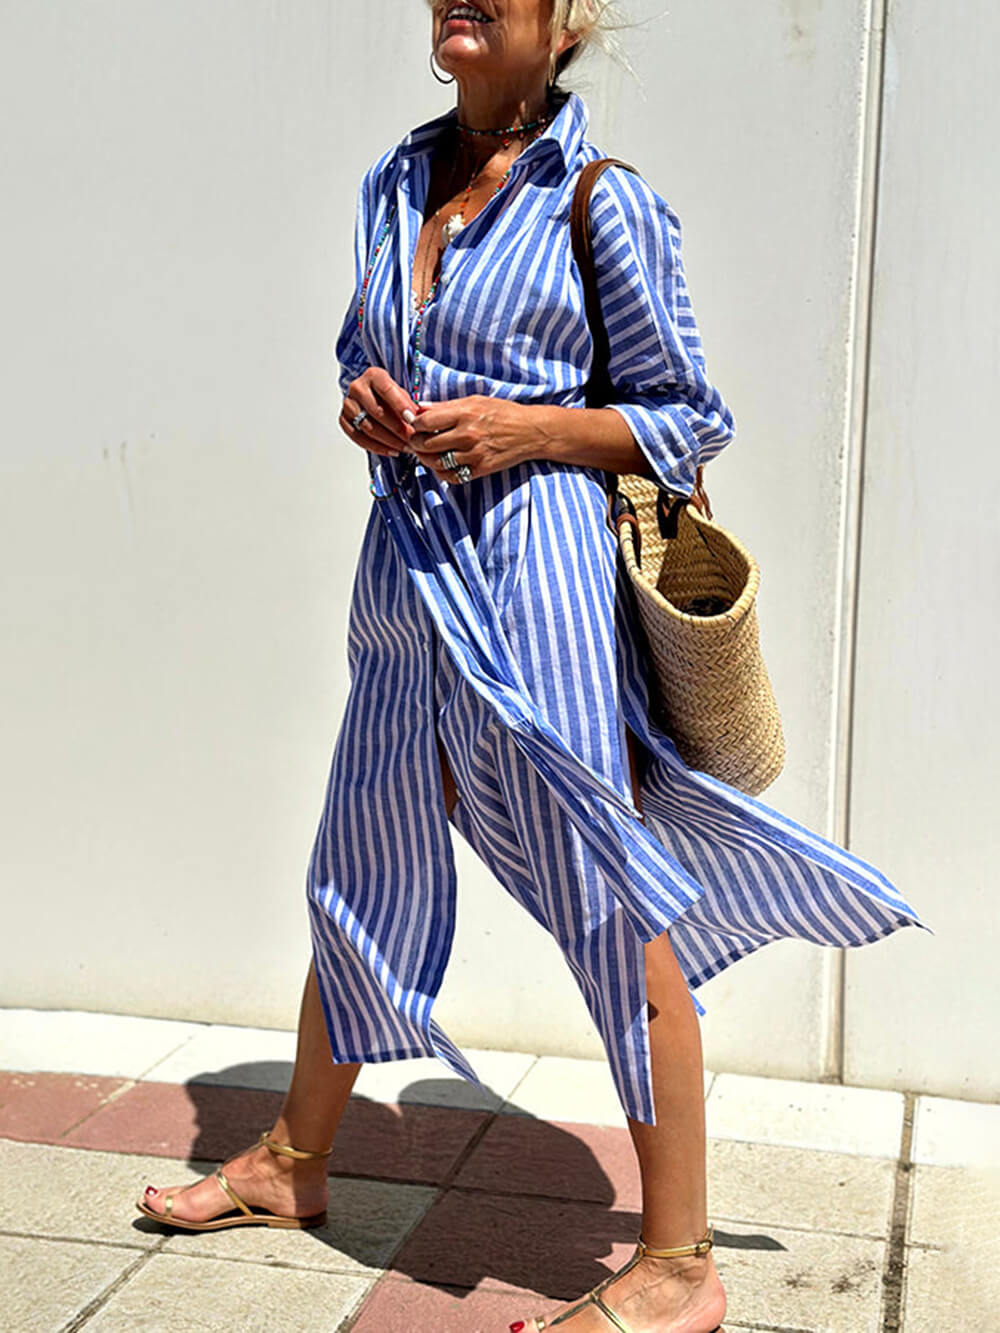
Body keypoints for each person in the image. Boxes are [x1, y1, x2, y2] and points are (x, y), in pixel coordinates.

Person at [136, 3, 924, 1330]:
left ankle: (678, 1263)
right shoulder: (397, 179)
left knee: (609, 894)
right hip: (407, 579)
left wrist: (531, 428)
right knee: (360, 855)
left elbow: (687, 419)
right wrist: (364, 399)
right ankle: (292, 1160)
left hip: (537, 586)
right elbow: (362, 348)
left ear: (568, 22)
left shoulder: (602, 199)